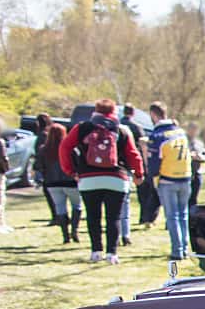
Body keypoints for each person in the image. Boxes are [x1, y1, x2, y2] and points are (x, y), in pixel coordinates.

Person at [60, 98, 144, 264]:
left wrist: (71, 171)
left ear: (96, 111)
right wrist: (138, 174)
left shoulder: (82, 128)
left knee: (93, 216)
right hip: (117, 179)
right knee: (114, 217)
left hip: (88, 179)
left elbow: (65, 147)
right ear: (114, 112)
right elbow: (133, 155)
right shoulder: (122, 129)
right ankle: (112, 253)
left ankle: (96, 251)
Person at [148, 106, 195, 263]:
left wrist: (154, 178)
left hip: (168, 179)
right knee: (183, 214)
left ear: (153, 114)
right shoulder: (180, 132)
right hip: (185, 176)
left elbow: (154, 162)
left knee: (172, 216)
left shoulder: (158, 135)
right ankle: (185, 248)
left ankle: (177, 250)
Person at [38, 114, 79, 242]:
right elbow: (78, 164)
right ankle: (74, 230)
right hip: (70, 181)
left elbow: (39, 166)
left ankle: (65, 235)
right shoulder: (70, 149)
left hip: (52, 183)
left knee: (60, 208)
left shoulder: (43, 150)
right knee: (76, 206)